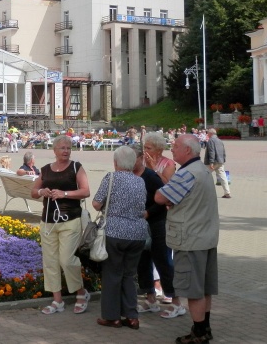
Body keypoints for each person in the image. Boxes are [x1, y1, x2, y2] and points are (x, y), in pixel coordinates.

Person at [155, 133, 220, 344]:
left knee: (193, 291)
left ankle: (199, 334)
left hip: (190, 239)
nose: (171, 150)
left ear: (187, 151)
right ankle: (205, 328)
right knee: (204, 288)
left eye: (175, 146)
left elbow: (160, 197)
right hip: (206, 238)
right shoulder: (202, 169)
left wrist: (167, 199)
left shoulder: (186, 174)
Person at [31, 135, 91, 315]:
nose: (66, 151)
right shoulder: (46, 170)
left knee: (67, 260)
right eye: (62, 148)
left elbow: (86, 191)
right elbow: (34, 191)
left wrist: (64, 193)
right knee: (50, 262)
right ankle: (57, 300)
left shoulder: (76, 167)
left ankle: (81, 293)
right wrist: (43, 191)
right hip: (48, 222)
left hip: (70, 220)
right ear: (54, 150)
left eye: (68, 148)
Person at [91, 146, 149, 329]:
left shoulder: (111, 178)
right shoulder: (140, 181)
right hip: (138, 235)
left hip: (114, 233)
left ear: (116, 162)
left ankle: (112, 317)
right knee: (130, 275)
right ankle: (132, 316)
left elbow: (96, 203)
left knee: (112, 274)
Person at [132, 143, 185, 319]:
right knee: (142, 261)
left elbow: (163, 199)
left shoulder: (150, 176)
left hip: (157, 223)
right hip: (139, 224)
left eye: (133, 159)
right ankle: (150, 299)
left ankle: (176, 302)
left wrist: (149, 212)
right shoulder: (129, 176)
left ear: (141, 158)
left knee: (163, 261)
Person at [204, 128, 231, 199]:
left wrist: (211, 162)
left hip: (214, 162)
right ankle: (227, 192)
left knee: (204, 175)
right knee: (223, 177)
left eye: (208, 133)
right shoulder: (220, 140)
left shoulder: (211, 141)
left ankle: (205, 193)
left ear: (211, 133)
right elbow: (223, 151)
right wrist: (224, 159)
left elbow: (211, 151)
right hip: (220, 161)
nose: (207, 135)